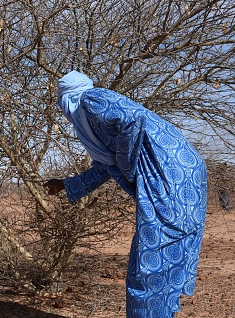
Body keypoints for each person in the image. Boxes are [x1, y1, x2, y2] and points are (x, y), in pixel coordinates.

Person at [44, 71, 207, 318]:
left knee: (149, 263)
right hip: (181, 171)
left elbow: (133, 119)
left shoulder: (90, 98)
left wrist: (127, 163)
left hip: (166, 173)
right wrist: (67, 184)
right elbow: (105, 166)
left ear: (67, 97)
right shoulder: (93, 121)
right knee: (164, 253)